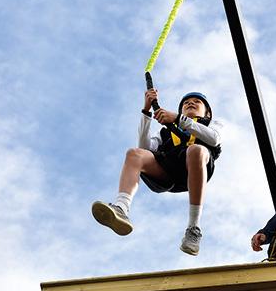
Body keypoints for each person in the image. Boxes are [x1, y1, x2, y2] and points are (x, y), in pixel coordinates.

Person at [92, 88, 222, 256]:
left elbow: (214, 138)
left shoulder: (212, 124)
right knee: (134, 154)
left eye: (197, 102)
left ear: (208, 113)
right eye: (186, 103)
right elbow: (144, 148)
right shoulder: (166, 131)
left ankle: (193, 228)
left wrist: (178, 119)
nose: (190, 103)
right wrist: (146, 111)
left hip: (196, 169)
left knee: (196, 150)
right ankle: (121, 207)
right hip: (169, 174)